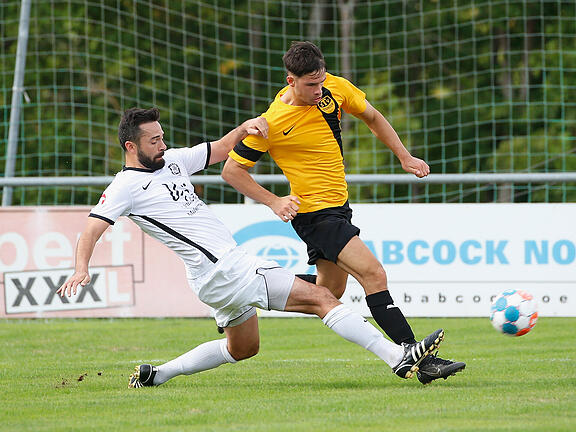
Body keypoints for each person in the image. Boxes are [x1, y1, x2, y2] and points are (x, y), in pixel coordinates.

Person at [57, 107, 444, 388]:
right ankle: (398, 357)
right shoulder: (125, 187)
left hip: (210, 279)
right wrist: (81, 268)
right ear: (130, 146)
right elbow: (90, 231)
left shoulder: (172, 161)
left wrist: (245, 127)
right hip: (227, 268)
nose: (162, 144)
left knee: (243, 348)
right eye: (153, 140)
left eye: (162, 137)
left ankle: (157, 375)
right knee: (323, 297)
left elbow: (221, 150)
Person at [221, 41, 465, 385]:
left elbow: (373, 117)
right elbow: (231, 172)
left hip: (339, 208)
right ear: (290, 81)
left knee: (328, 292)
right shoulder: (271, 122)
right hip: (315, 215)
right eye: (310, 85)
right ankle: (416, 355)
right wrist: (275, 201)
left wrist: (404, 156)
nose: (319, 90)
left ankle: (249, 291)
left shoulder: (334, 88)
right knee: (374, 275)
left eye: (321, 81)